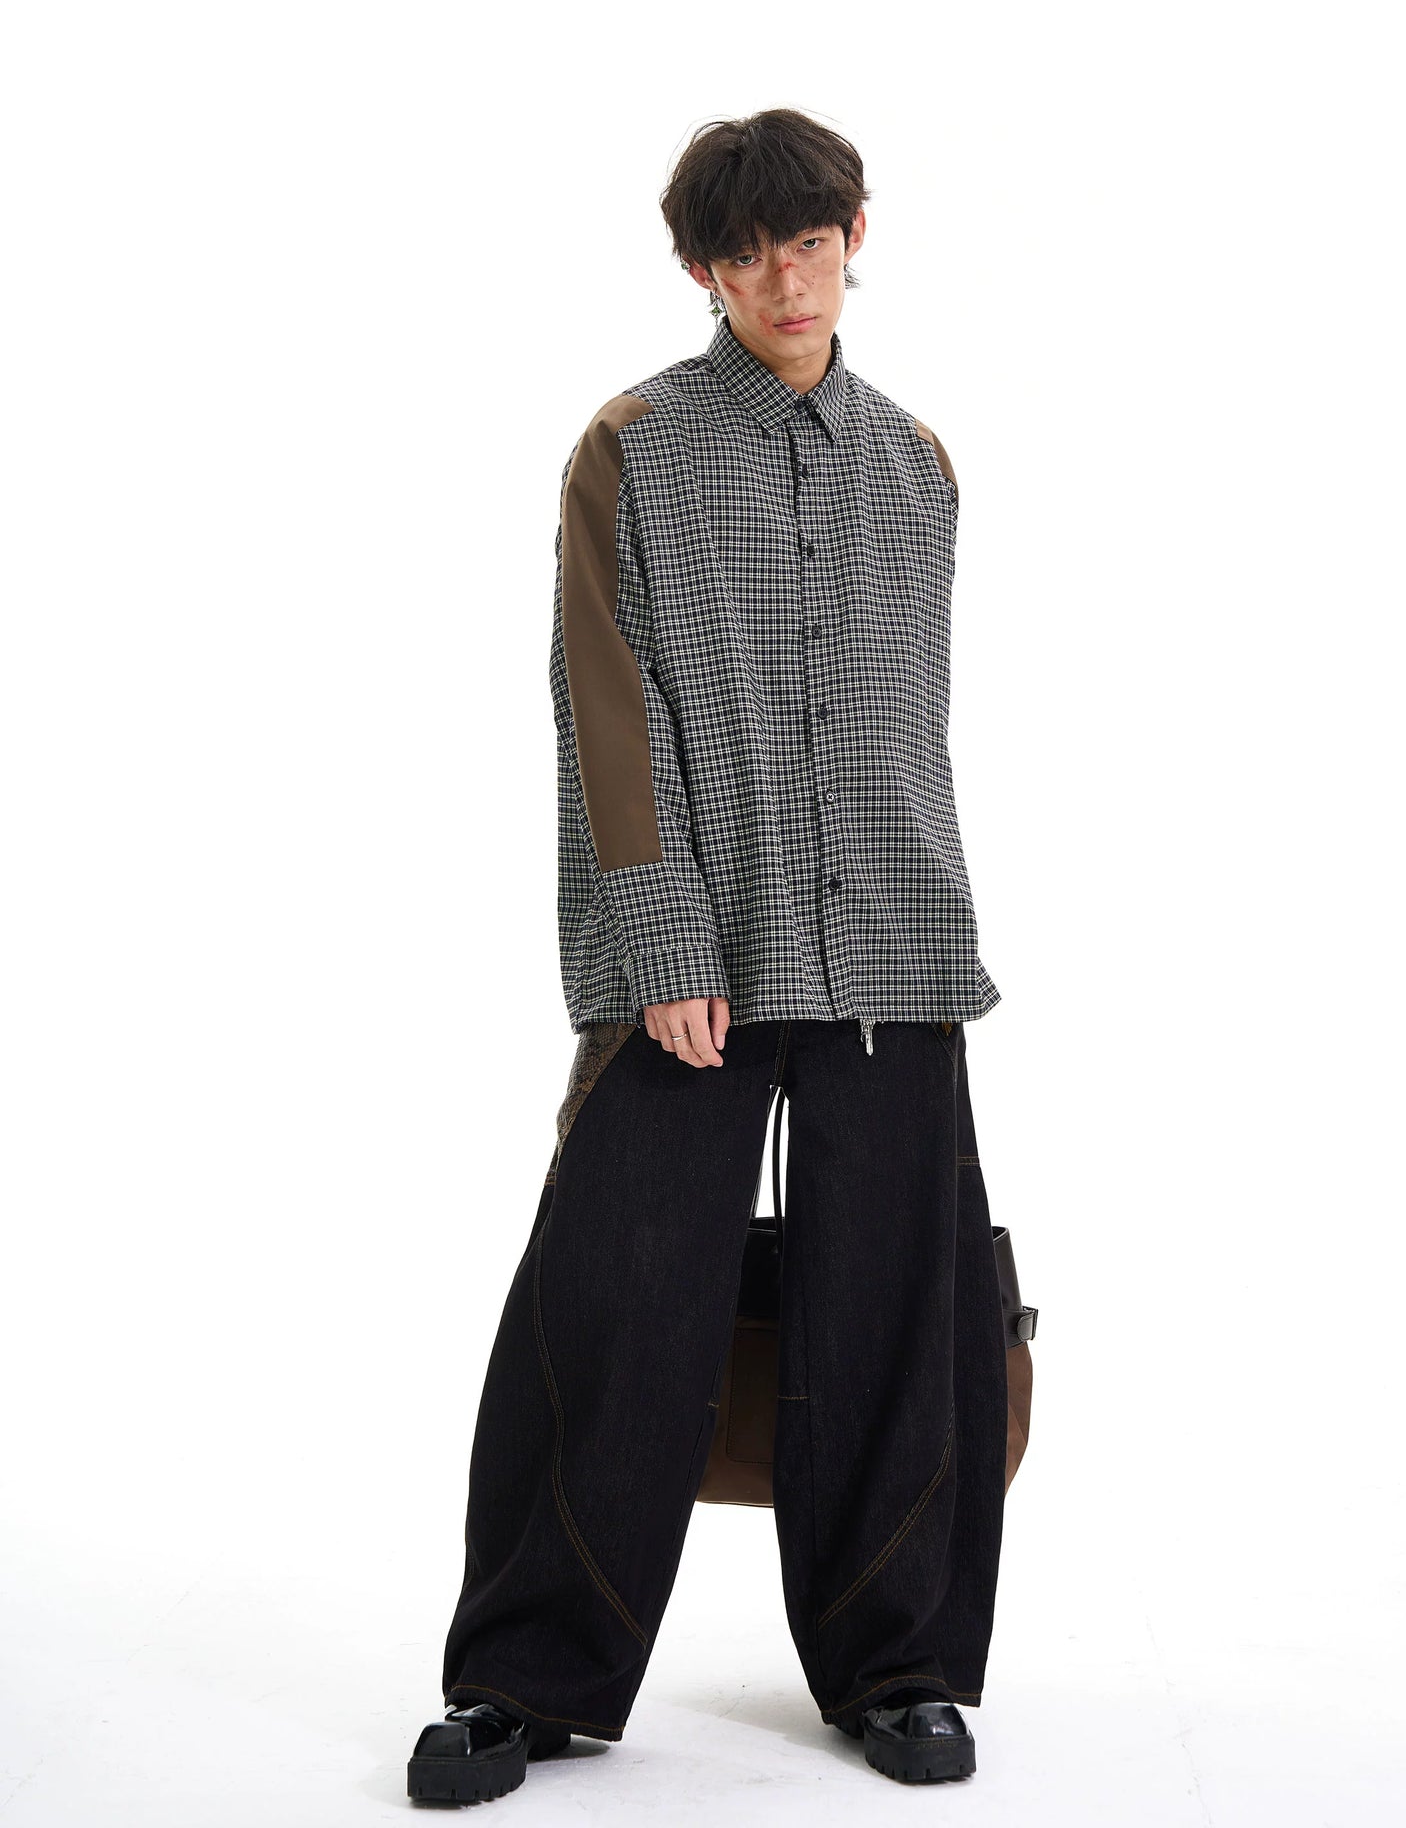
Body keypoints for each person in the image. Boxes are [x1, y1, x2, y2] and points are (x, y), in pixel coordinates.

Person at [407, 107, 1010, 1804]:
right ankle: (524, 1680)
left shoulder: (918, 463)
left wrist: (919, 919)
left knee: (895, 1313)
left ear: (855, 234)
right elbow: (608, 716)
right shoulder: (636, 447)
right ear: (701, 270)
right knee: (614, 1301)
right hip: (697, 949)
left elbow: (909, 721)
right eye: (745, 255)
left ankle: (899, 1666)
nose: (784, 280)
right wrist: (662, 935)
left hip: (891, 942)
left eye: (809, 242)